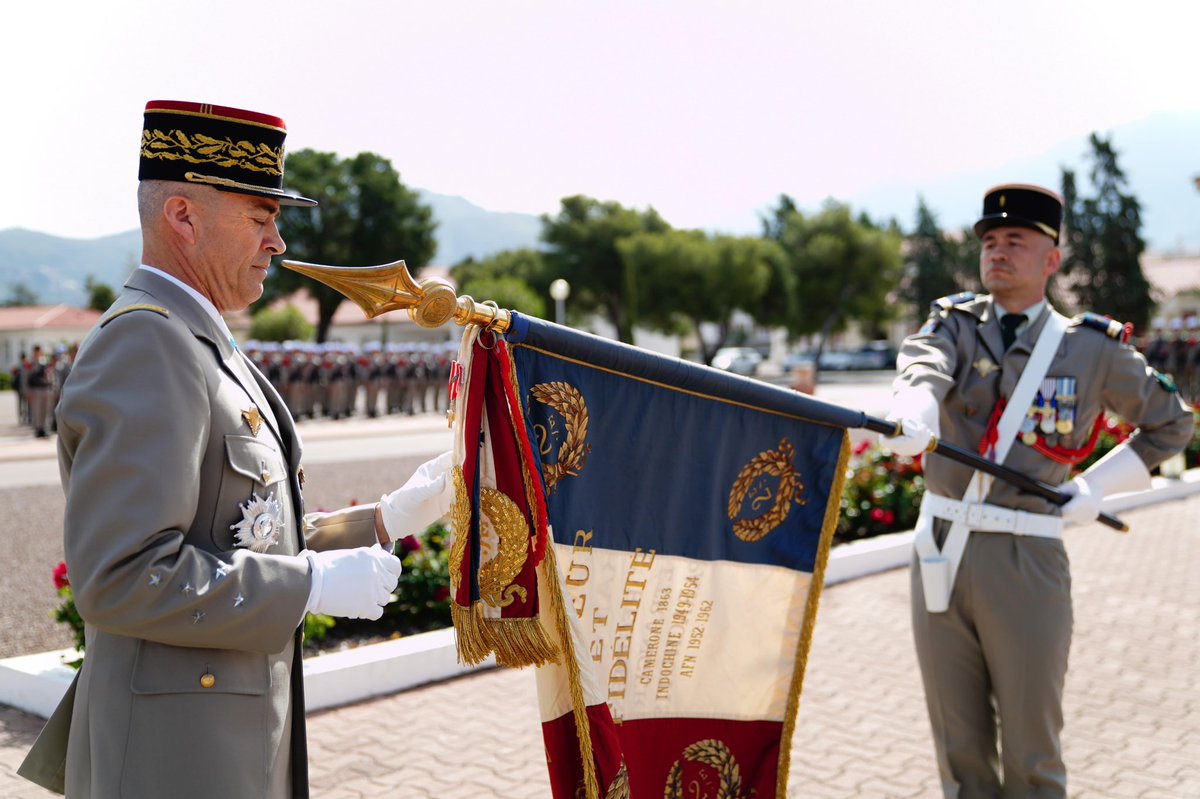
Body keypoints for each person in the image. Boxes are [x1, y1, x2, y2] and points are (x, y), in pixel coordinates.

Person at [18, 100, 453, 798]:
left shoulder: (198, 340)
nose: (276, 242)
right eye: (260, 217)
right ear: (184, 218)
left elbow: (235, 530)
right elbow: (121, 576)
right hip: (174, 762)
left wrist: (384, 519)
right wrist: (311, 585)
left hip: (214, 745)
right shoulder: (148, 343)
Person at [882, 183, 1193, 798]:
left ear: (1051, 259)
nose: (997, 251)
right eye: (990, 241)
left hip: (1026, 556)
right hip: (938, 547)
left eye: (1015, 241)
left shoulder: (1090, 348)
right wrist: (915, 401)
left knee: (1032, 754)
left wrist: (1096, 486)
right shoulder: (955, 325)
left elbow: (1172, 423)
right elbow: (923, 361)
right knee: (959, 751)